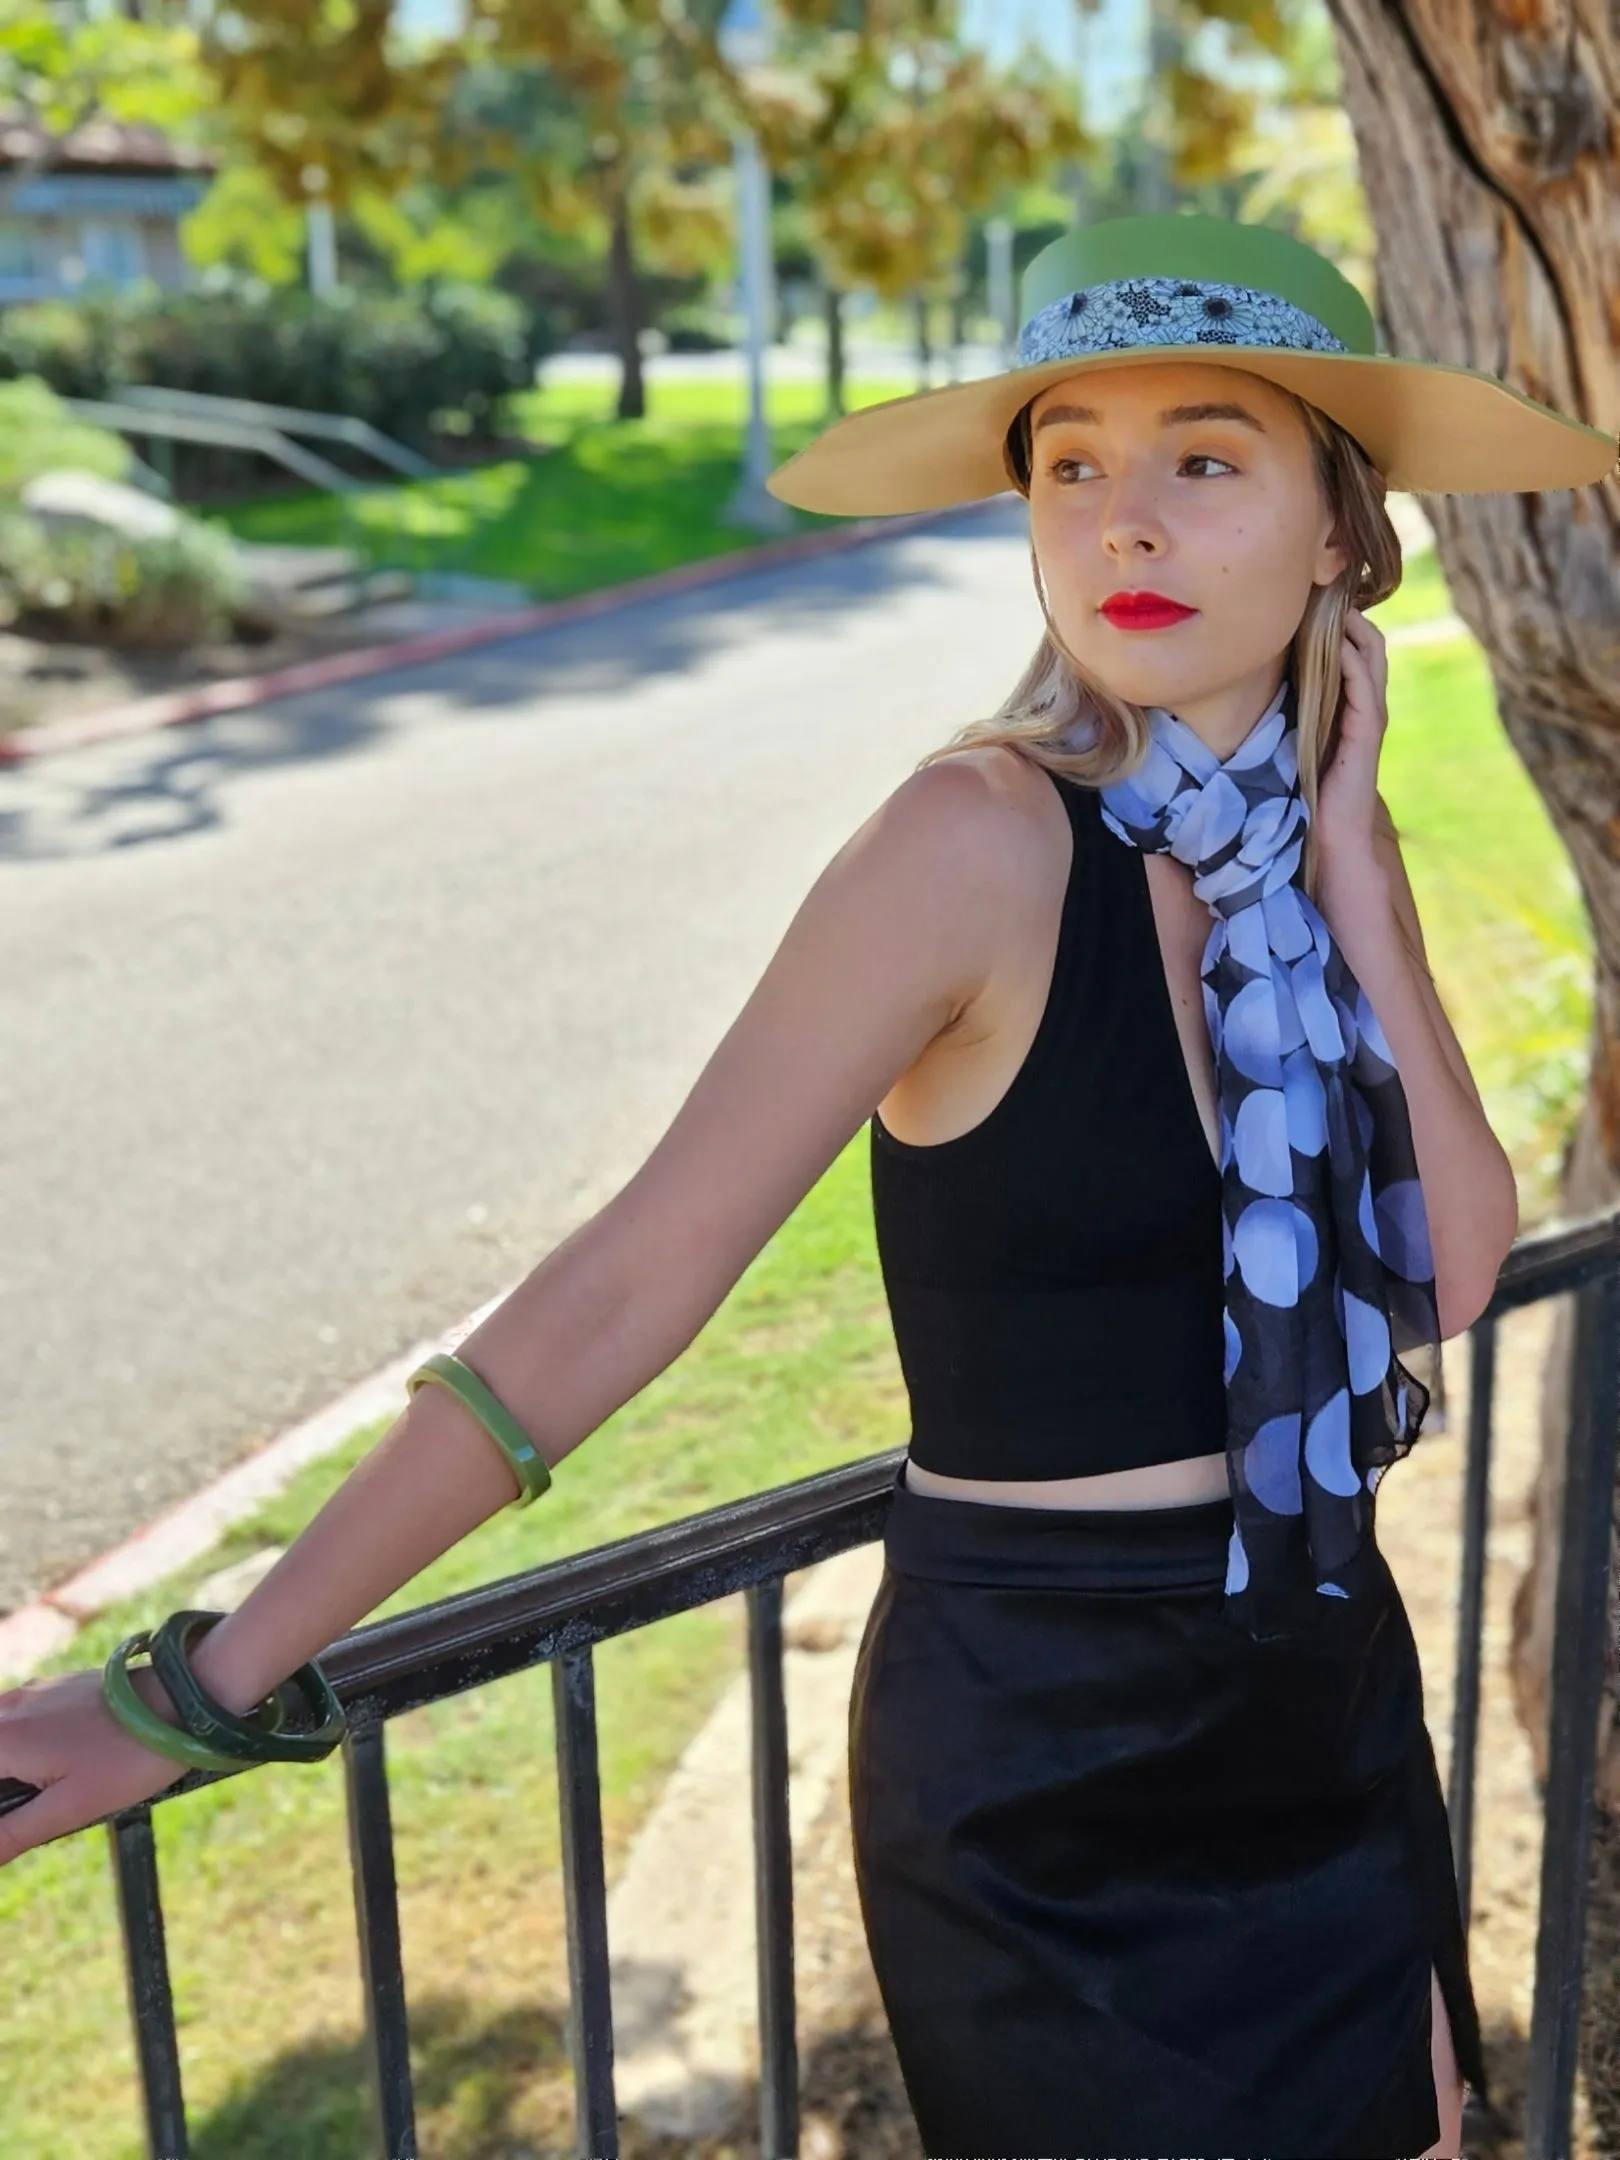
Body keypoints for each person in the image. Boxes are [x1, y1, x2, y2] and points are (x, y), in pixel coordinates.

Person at [0, 212, 1613, 2154]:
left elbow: (1443, 1269)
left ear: (1341, 533)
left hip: (1318, 1681)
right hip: (1041, 1762)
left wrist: (1358, 875)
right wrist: (217, 1676)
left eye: (1205, 458)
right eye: (1072, 465)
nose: (1126, 525)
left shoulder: (1300, 868)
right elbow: (626, 1285)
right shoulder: (974, 845)